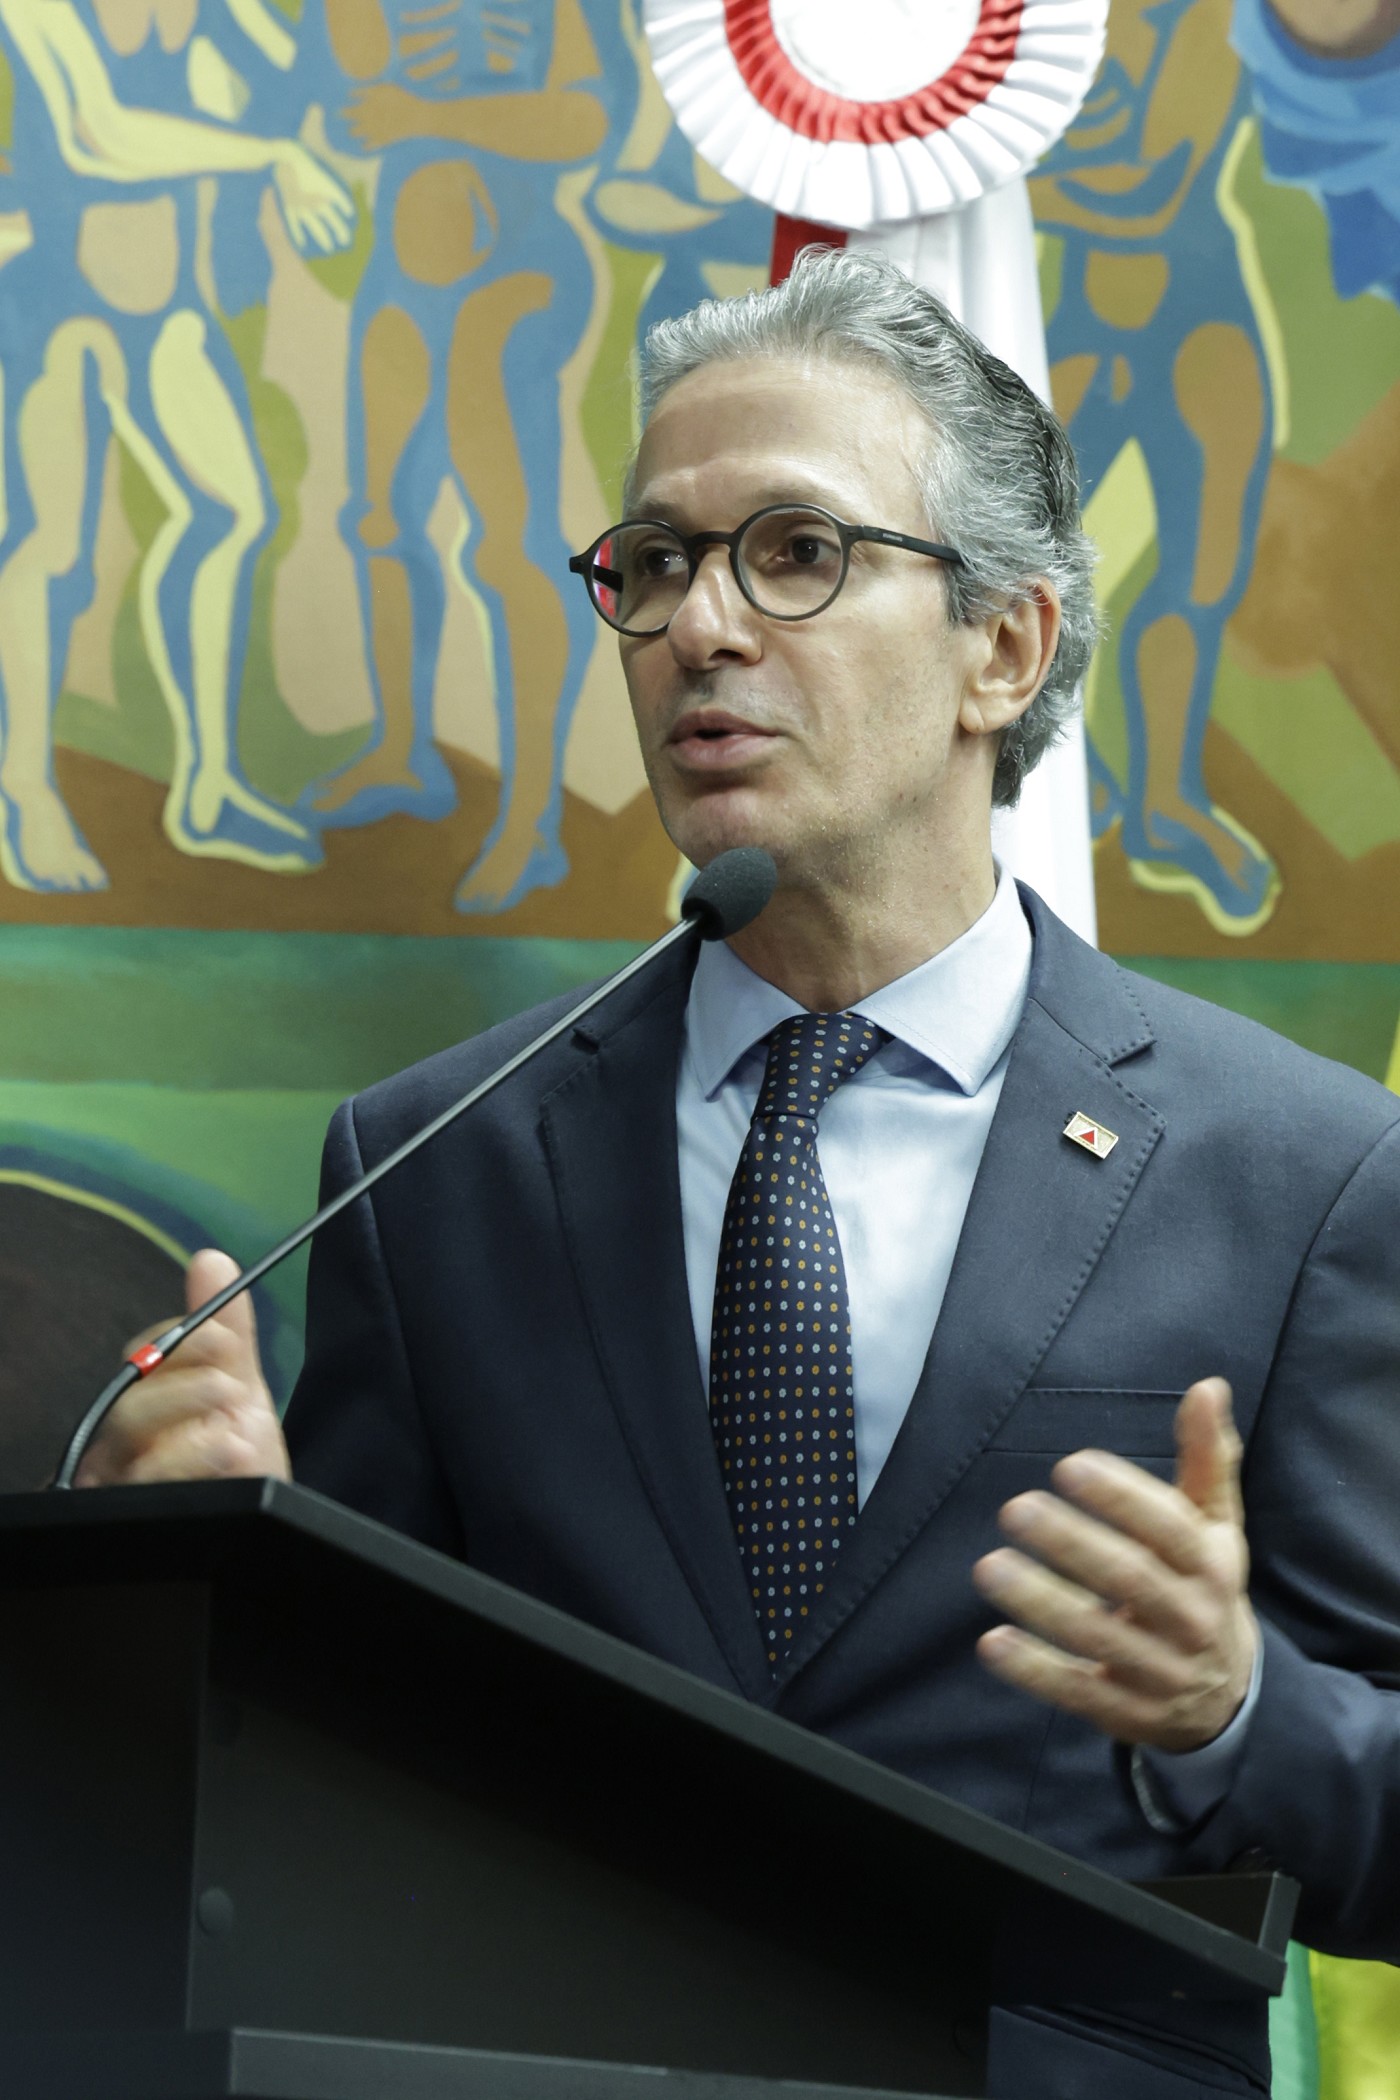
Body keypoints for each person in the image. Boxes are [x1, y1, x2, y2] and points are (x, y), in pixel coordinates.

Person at [75, 248, 1400, 2098]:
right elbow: (338, 1791)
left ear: (1005, 649)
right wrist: (229, 1575)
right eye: (655, 563)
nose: (700, 626)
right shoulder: (442, 1159)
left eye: (796, 552)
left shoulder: (1301, 1172)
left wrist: (1236, 1713)